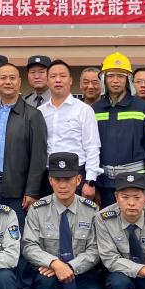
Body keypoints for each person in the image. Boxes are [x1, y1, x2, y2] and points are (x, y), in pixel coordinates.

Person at [23, 153, 111, 289]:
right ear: (50, 181)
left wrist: (70, 267)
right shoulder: (38, 209)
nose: (63, 185)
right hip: (50, 273)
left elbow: (96, 249)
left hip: (82, 274)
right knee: (44, 283)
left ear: (78, 180)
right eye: (57, 179)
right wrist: (55, 264)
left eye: (68, 179)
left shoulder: (91, 210)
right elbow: (28, 245)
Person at [0, 62, 48, 289]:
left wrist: (32, 190)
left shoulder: (33, 115)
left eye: (12, 78)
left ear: (19, 82)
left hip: (18, 188)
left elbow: (38, 157)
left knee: (19, 243)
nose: (7, 82)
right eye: (3, 78)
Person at [92, 52, 145, 209]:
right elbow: (90, 149)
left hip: (135, 183)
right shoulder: (95, 109)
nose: (115, 81)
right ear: (104, 79)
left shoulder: (142, 108)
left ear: (128, 79)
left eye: (121, 76)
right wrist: (93, 184)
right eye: (111, 76)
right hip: (104, 184)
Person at [38, 60, 101, 200]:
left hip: (76, 174)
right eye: (53, 76)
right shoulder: (40, 111)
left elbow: (92, 147)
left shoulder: (84, 110)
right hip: (48, 175)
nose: (58, 80)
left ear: (71, 80)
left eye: (62, 76)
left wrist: (90, 181)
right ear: (47, 81)